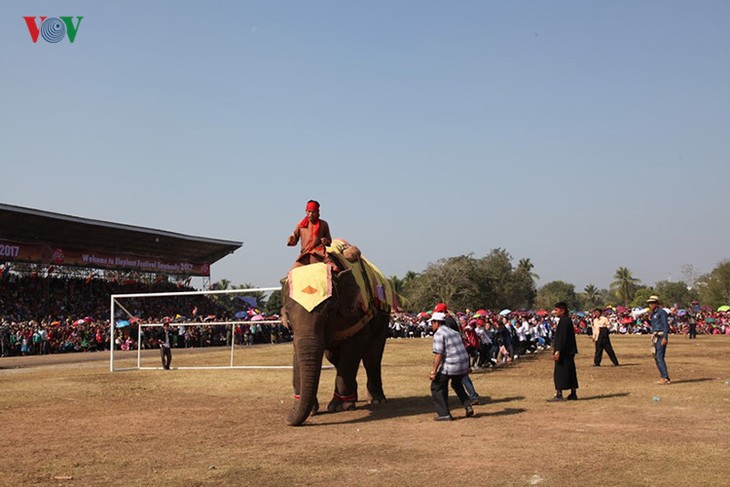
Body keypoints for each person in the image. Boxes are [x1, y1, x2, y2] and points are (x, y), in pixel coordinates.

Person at [429, 312, 474, 421]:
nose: (431, 325)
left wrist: (433, 371)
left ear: (437, 323)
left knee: (437, 386)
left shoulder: (439, 334)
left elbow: (439, 354)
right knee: (457, 383)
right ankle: (467, 404)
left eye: (432, 323)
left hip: (451, 364)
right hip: (463, 363)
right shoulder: (454, 332)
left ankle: (444, 414)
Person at [286, 200, 334, 268]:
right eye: (309, 211)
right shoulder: (300, 225)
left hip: (318, 256)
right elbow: (295, 240)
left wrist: (326, 241)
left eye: (313, 212)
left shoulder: (323, 224)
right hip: (304, 256)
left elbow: (329, 241)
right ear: (306, 211)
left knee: (333, 268)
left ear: (317, 212)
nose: (311, 214)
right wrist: (291, 240)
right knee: (291, 273)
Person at [549, 302, 578, 401]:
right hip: (569, 351)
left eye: (556, 310)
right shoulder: (567, 320)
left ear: (562, 310)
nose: (555, 312)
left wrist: (557, 351)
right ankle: (573, 393)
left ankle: (559, 394)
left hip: (564, 352)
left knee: (560, 373)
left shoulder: (564, 321)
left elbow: (562, 338)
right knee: (571, 371)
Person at [647, 295, 671, 384]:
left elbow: (665, 325)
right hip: (655, 336)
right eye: (649, 303)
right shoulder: (653, 313)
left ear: (657, 303)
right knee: (656, 357)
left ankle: (665, 377)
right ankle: (663, 376)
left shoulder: (662, 312)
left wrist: (665, 337)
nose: (651, 305)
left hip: (661, 336)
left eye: (652, 303)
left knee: (659, 356)